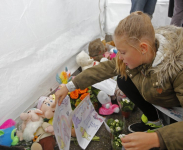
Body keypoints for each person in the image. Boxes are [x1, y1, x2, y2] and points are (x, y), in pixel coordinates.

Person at [54, 11, 183, 150]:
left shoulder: (178, 67)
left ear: (143, 48)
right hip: (158, 96)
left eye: (122, 52)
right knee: (123, 78)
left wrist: (157, 138)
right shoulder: (141, 53)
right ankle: (154, 121)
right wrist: (70, 86)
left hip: (176, 106)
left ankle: (164, 128)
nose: (119, 57)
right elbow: (104, 69)